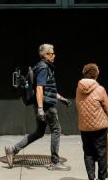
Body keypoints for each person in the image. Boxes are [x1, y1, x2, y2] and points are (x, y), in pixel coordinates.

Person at [5, 43, 71, 171]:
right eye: (52, 53)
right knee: (56, 130)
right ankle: (55, 162)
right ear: (46, 55)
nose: (54, 55)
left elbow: (47, 89)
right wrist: (41, 109)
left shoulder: (41, 66)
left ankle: (13, 149)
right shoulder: (44, 68)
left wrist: (61, 98)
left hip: (42, 104)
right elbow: (40, 88)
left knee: (39, 132)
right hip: (46, 106)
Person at [76, 63, 108, 180]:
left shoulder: (78, 89)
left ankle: (91, 177)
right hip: (100, 127)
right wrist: (106, 118)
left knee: (88, 153)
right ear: (96, 75)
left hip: (84, 126)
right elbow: (107, 108)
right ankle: (102, 178)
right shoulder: (100, 89)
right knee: (102, 153)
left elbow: (78, 106)